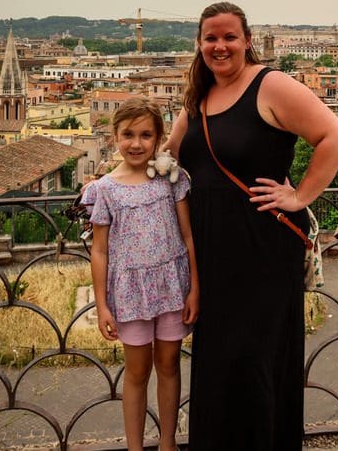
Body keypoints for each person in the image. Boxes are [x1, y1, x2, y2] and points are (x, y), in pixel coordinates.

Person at [165, 1, 338, 451]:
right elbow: (166, 159)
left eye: (230, 37)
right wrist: (109, 183)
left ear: (248, 40)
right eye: (211, 38)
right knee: (218, 362)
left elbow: (335, 137)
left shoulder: (272, 85)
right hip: (212, 252)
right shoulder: (199, 98)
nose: (220, 45)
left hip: (262, 250)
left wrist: (300, 195)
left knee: (254, 363)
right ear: (200, 44)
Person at [83, 97, 199, 451]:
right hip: (130, 292)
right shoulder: (104, 189)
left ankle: (167, 443)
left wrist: (195, 287)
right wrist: (102, 305)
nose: (136, 143)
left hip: (172, 286)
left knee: (168, 364)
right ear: (114, 136)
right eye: (128, 134)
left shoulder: (171, 178)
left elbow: (188, 234)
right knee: (136, 372)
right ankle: (135, 447)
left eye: (146, 135)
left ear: (159, 137)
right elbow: (99, 251)